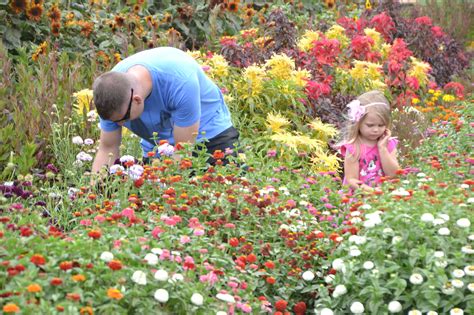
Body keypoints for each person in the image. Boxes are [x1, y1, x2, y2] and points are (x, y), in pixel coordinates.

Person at [91, 46, 239, 173]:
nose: (121, 125)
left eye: (123, 119)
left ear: (137, 99)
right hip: (159, 149)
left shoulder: (179, 81)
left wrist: (160, 188)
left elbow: (183, 150)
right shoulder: (110, 94)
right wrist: (95, 195)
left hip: (210, 136)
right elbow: (107, 148)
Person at [338, 90, 400, 191]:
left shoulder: (388, 144)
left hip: (384, 197)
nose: (376, 130)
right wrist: (373, 192)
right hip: (359, 197)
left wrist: (382, 148)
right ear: (358, 123)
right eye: (370, 125)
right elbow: (352, 180)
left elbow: (393, 174)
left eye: (381, 125)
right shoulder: (354, 147)